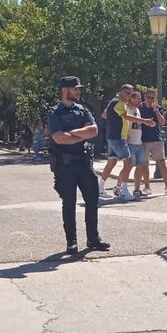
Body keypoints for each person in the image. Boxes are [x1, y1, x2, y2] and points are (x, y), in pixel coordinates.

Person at [47, 76, 110, 254]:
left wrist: (71, 133)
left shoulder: (82, 110)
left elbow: (94, 130)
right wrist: (81, 134)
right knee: (69, 203)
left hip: (84, 163)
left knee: (92, 200)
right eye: (75, 89)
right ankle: (71, 241)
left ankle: (93, 238)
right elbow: (58, 138)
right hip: (65, 165)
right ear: (65, 90)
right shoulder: (54, 112)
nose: (79, 91)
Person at [140, 89, 167, 195]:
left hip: (156, 139)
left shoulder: (158, 108)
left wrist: (156, 111)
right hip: (143, 140)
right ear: (144, 97)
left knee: (161, 162)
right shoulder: (139, 108)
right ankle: (147, 187)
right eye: (148, 97)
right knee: (145, 164)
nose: (150, 100)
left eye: (152, 98)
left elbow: (162, 122)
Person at [124, 91, 154, 198]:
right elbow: (126, 119)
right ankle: (121, 187)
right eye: (138, 98)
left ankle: (136, 189)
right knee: (128, 166)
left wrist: (147, 122)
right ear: (132, 99)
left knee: (141, 165)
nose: (140, 100)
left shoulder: (137, 109)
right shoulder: (126, 108)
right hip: (130, 142)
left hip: (139, 142)